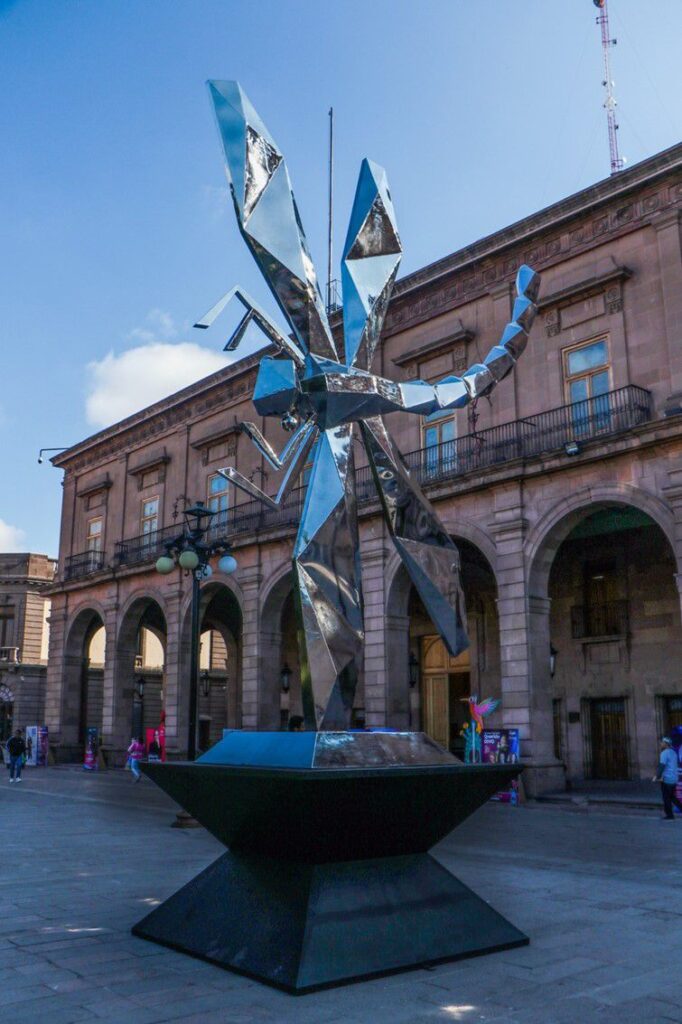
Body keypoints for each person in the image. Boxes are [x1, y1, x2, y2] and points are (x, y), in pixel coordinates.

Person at [653, 736, 682, 819]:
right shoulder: (673, 752)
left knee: (666, 798)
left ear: (666, 744)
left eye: (662, 742)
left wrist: (657, 776)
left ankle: (669, 815)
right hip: (674, 778)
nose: (661, 744)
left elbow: (662, 766)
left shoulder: (664, 753)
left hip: (667, 779)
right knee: (672, 796)